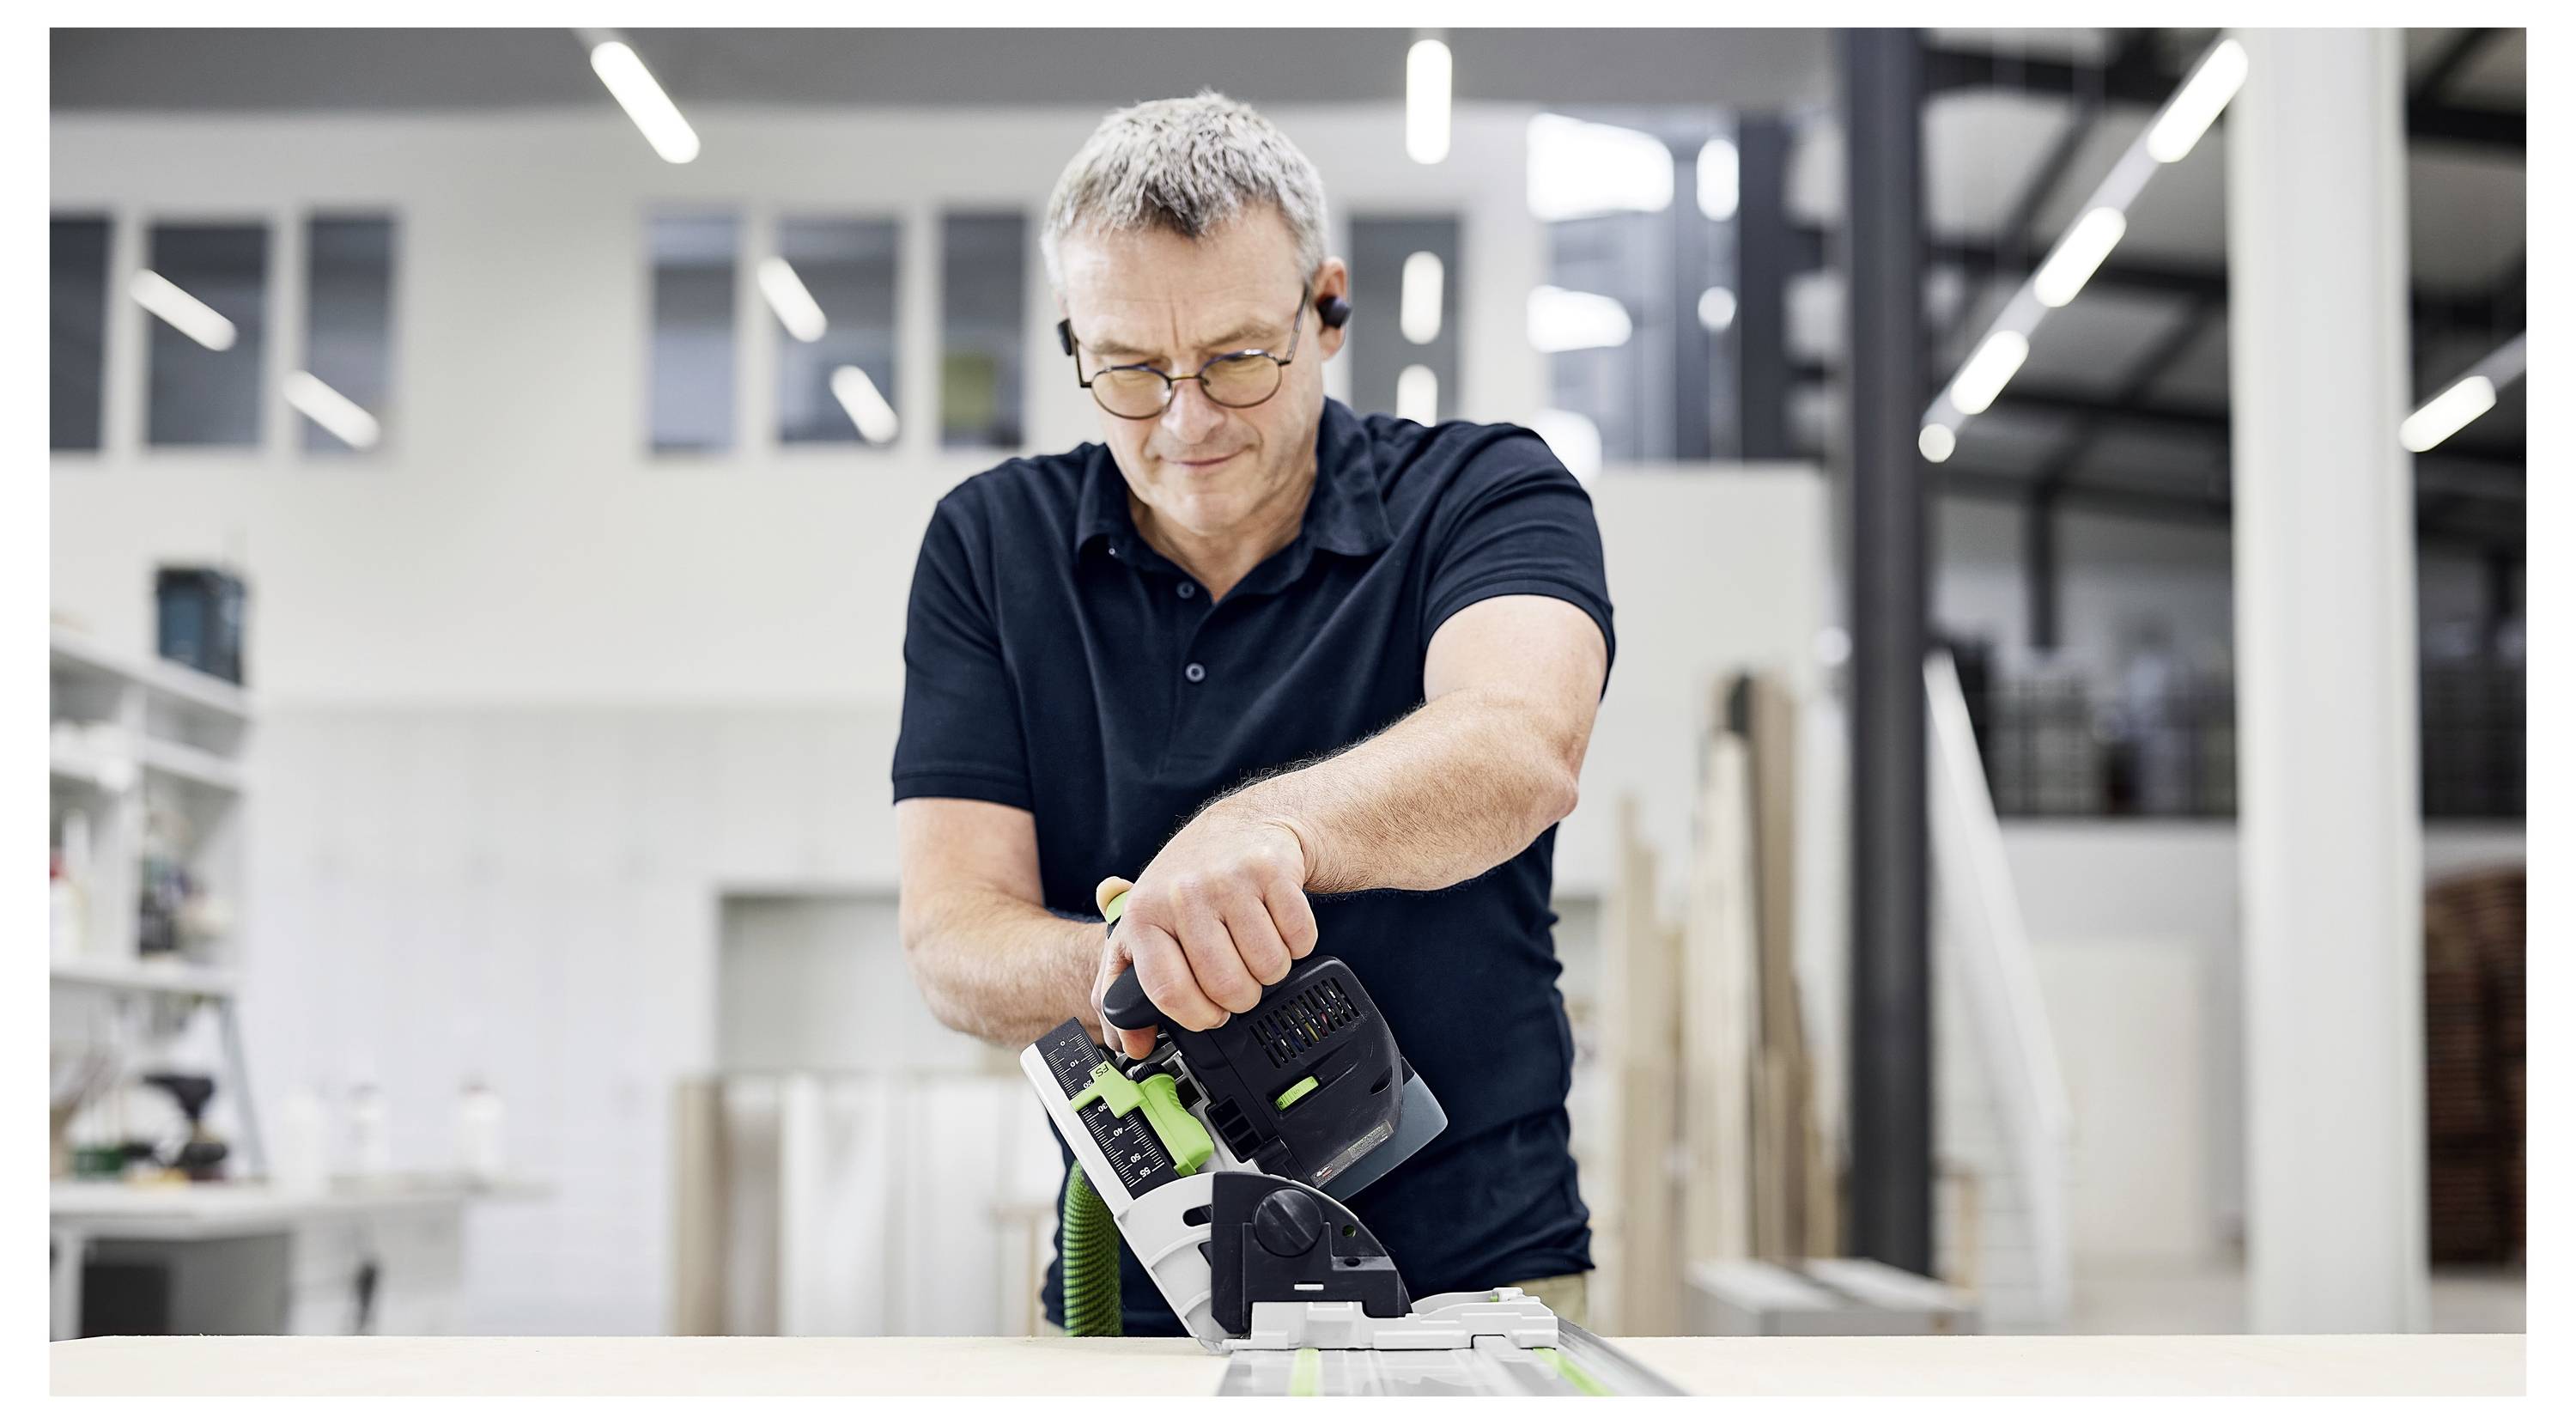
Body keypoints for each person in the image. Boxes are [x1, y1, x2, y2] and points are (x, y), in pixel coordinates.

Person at [893, 91, 1614, 1336]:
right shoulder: (989, 546)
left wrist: (1265, 832)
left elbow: (1519, 745)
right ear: (1075, 338)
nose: (1187, 421)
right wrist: (1131, 969)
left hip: (1476, 1292)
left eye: (1236, 357)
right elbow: (951, 932)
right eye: (1127, 369)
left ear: (1326, 307)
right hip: (1134, 1305)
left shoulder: (1489, 494)